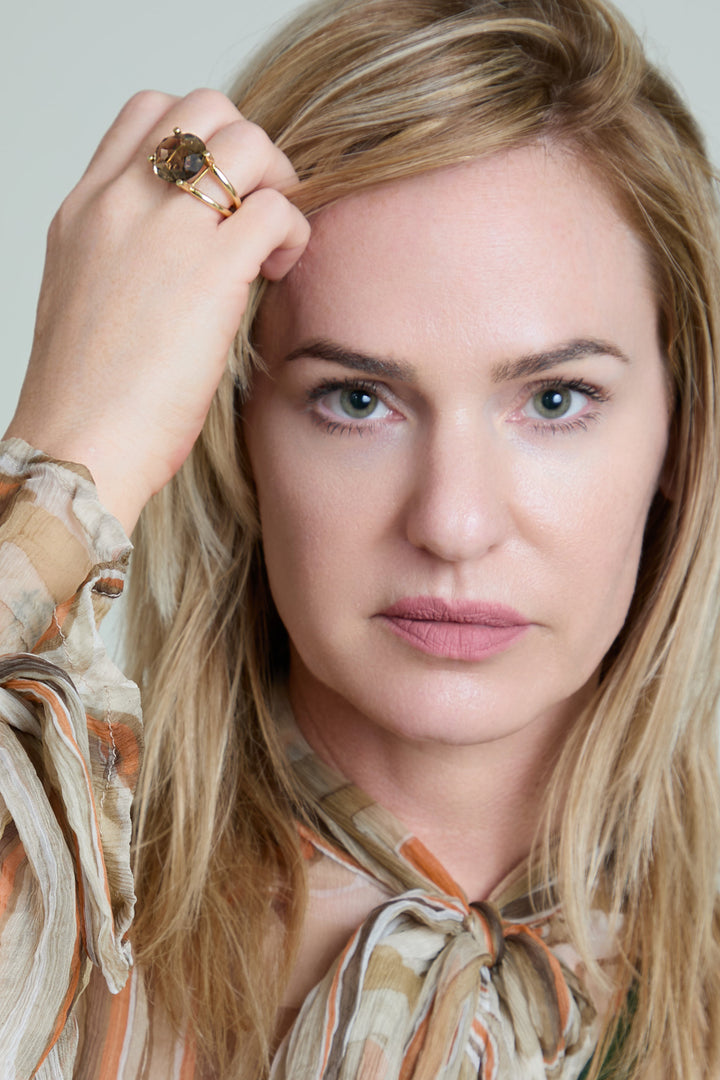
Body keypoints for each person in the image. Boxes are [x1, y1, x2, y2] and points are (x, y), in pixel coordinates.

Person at [1, 0, 719, 1076]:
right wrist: (73, 443)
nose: (454, 524)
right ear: (233, 426)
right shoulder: (54, 933)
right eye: (356, 399)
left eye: (556, 399)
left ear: (682, 433)